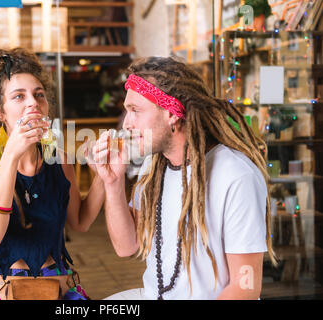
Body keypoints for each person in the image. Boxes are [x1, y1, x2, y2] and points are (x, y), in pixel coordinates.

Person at [92, 56, 277, 300]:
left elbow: (246, 288)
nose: (127, 123)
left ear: (171, 113)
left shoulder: (235, 175)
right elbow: (126, 247)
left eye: (135, 111)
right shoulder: (153, 167)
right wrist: (113, 183)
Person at [0, 48, 104, 300]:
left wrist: (104, 175)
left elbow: (79, 222)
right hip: (2, 292)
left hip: (62, 291)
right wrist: (12, 155)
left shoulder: (58, 158)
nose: (33, 102)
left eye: (39, 95)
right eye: (19, 96)